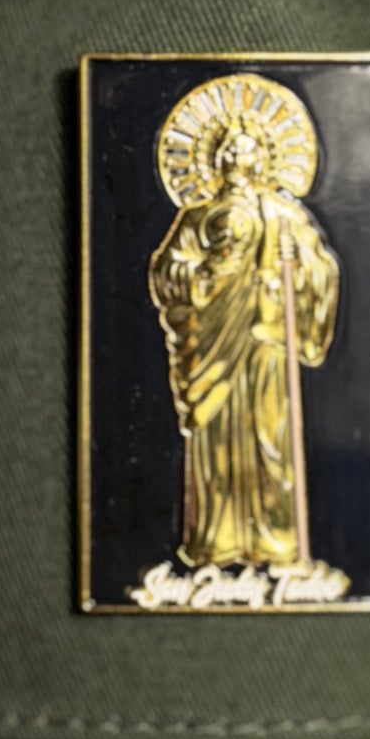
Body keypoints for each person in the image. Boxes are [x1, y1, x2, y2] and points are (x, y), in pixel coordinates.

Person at [149, 101, 339, 570]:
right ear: (213, 161)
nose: (235, 158)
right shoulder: (196, 218)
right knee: (215, 441)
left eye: (245, 150)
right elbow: (167, 271)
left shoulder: (284, 215)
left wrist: (300, 267)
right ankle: (217, 538)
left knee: (269, 436)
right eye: (227, 151)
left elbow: (321, 271)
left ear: (263, 159)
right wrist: (202, 276)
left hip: (266, 340)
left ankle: (274, 537)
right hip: (212, 347)